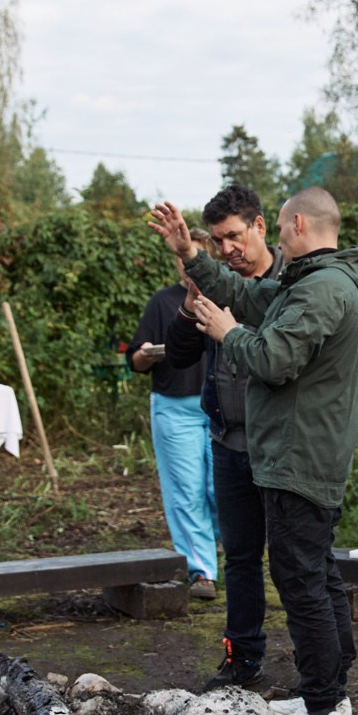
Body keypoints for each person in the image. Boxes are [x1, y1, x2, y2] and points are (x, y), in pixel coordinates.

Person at [149, 187, 358, 715]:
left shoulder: (323, 287)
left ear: (297, 224)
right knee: (315, 573)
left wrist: (229, 334)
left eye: (276, 228)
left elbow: (273, 359)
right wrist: (191, 255)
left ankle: (321, 709)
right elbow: (245, 295)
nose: (274, 238)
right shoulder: (314, 281)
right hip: (297, 452)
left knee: (300, 579)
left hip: (301, 455)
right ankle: (333, 697)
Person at [165, 185, 285, 688]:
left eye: (234, 237)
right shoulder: (215, 283)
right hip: (229, 442)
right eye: (217, 242)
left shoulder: (292, 281)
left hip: (281, 450)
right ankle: (242, 658)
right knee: (239, 558)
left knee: (296, 563)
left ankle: (320, 668)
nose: (228, 250)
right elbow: (178, 356)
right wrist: (193, 310)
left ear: (260, 227)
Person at [130, 228, 220, 600]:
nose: (188, 267)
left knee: (221, 489)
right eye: (183, 261)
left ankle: (225, 550)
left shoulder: (226, 298)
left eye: (195, 259)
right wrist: (147, 352)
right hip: (175, 410)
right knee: (187, 493)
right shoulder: (162, 302)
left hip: (220, 410)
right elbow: (135, 361)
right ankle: (202, 572)